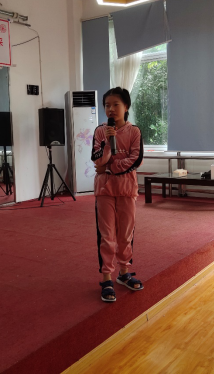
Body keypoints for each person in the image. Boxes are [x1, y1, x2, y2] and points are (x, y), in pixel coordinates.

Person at [91, 87, 144, 302]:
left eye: (115, 104)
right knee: (106, 235)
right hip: (104, 190)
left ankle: (124, 272)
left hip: (127, 190)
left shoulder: (135, 132)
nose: (111, 109)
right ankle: (107, 278)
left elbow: (136, 160)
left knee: (125, 234)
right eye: (107, 105)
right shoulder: (100, 131)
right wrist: (106, 145)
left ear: (126, 107)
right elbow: (97, 159)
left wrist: (110, 168)